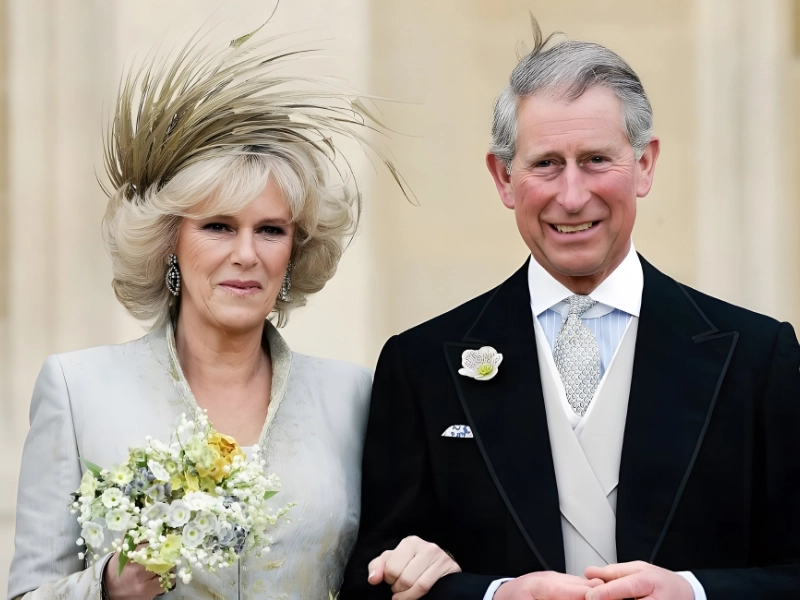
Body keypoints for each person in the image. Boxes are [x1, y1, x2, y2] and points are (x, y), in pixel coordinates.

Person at [342, 20, 800, 600]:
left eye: (596, 159)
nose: (573, 195)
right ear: (503, 177)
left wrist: (692, 592)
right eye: (546, 164)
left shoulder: (758, 358)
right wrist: (497, 595)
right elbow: (372, 582)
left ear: (645, 164)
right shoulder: (420, 366)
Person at [7, 29, 459, 600]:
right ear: (169, 244)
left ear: (294, 250)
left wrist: (431, 560)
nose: (246, 254)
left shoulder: (355, 397)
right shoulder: (78, 389)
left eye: (270, 230)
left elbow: (391, 560)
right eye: (218, 226)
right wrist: (106, 587)